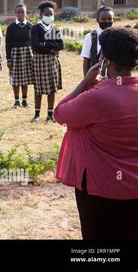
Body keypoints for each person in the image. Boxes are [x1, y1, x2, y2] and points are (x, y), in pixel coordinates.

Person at [55, 28, 138, 239]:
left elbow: (60, 113)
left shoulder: (97, 97)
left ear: (105, 61)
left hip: (99, 187)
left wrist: (84, 82)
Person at [31, 0, 63, 123]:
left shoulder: (55, 28)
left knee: (52, 88)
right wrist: (51, 47)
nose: (50, 17)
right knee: (38, 89)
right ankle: (37, 114)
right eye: (47, 14)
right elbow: (35, 46)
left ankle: (50, 114)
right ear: (41, 15)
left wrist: (45, 43)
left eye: (51, 14)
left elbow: (61, 45)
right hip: (40, 61)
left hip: (52, 62)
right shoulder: (36, 28)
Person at [5, 4, 34, 107]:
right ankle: (16, 100)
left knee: (25, 79)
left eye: (23, 12)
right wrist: (8, 59)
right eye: (18, 12)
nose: (21, 14)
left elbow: (34, 42)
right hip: (15, 55)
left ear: (26, 13)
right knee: (15, 78)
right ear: (15, 13)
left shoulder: (30, 26)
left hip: (27, 55)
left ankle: (25, 100)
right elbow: (8, 43)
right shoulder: (11, 27)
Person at [81, 6, 114, 76]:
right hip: (95, 77)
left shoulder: (117, 36)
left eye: (110, 19)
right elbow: (86, 60)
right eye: (103, 19)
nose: (107, 21)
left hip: (113, 77)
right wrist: (87, 80)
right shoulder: (90, 37)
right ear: (98, 20)